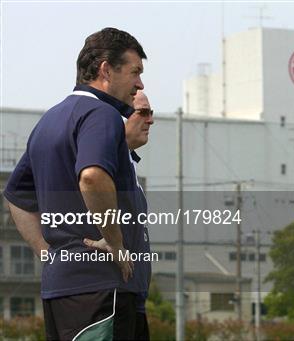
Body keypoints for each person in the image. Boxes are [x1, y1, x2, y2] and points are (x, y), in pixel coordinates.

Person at [3, 27, 148, 340]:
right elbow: (92, 176)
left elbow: (16, 197)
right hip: (101, 290)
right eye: (135, 72)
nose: (140, 84)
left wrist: (47, 254)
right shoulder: (102, 114)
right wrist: (114, 241)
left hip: (63, 290)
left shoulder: (49, 121)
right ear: (106, 69)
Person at [84, 90, 154, 340]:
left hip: (132, 296)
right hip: (110, 296)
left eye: (151, 113)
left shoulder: (128, 163)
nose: (150, 120)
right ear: (117, 117)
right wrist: (47, 252)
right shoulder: (100, 165)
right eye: (143, 112)